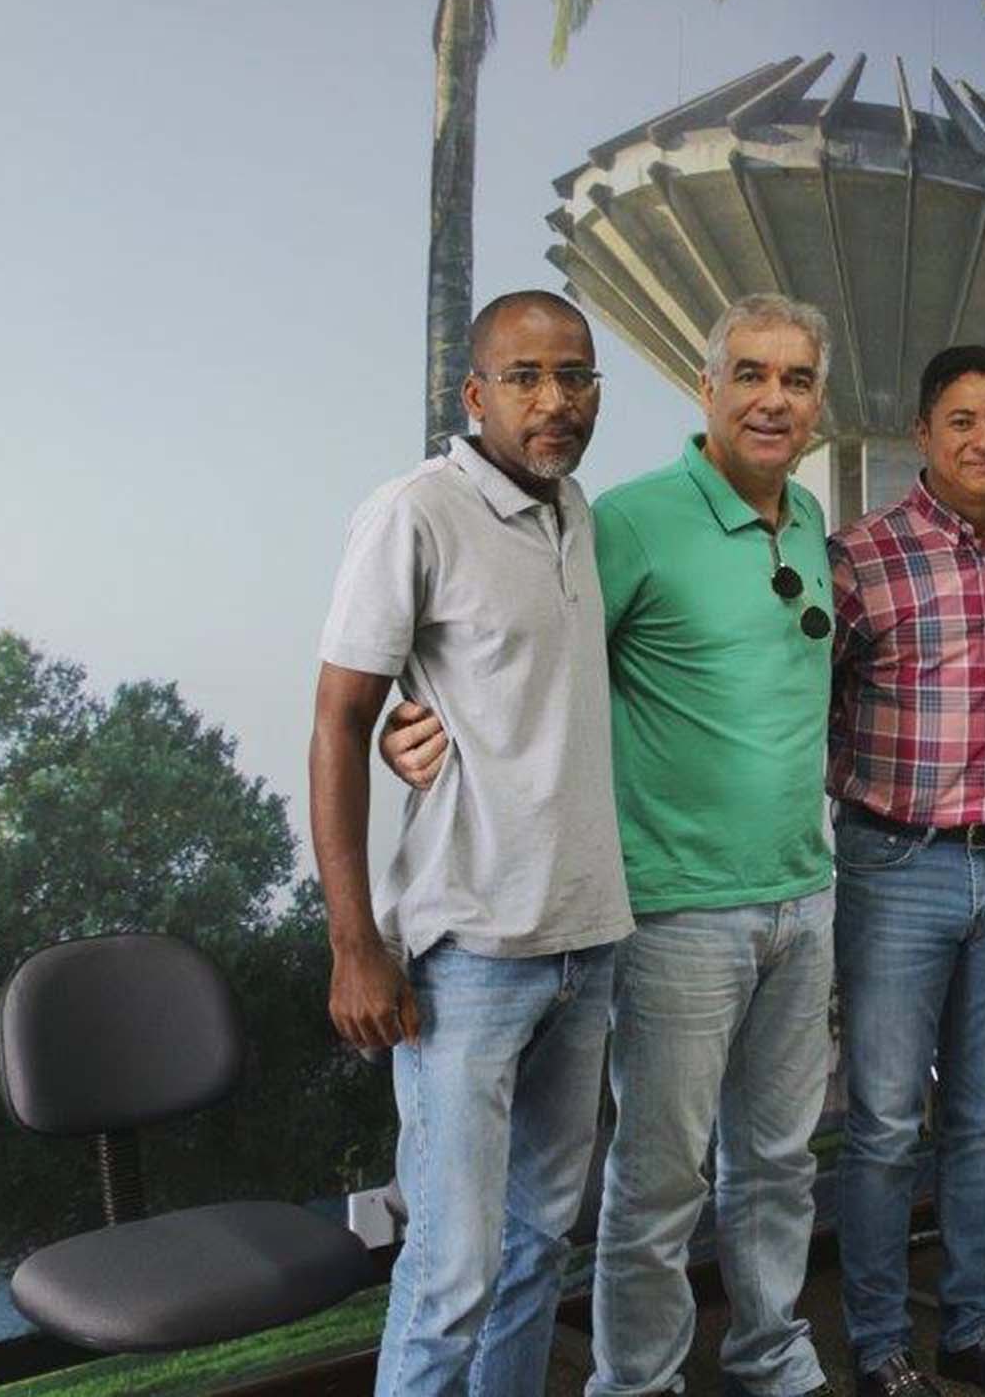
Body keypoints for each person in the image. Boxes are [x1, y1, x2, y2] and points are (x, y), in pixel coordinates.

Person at [379, 295, 844, 1397]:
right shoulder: (623, 520)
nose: (773, 399)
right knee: (659, 1182)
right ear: (707, 385)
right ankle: (636, 1381)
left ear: (819, 401)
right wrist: (419, 713)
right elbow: (516, 651)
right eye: (751, 374)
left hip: (802, 894)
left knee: (778, 1165)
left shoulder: (814, 522)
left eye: (796, 380)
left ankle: (773, 1354)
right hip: (674, 907)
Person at [310, 289, 632, 1397]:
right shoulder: (415, 513)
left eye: (576, 376)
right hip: (470, 954)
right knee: (453, 1267)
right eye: (529, 377)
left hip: (587, 941)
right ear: (477, 393)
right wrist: (356, 944)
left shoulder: (576, 512)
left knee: (544, 1241)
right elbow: (342, 721)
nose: (556, 400)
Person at [827, 346, 985, 1397]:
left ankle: (975, 1330)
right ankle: (879, 1347)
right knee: (883, 1123)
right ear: (924, 433)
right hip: (897, 865)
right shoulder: (860, 557)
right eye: (963, 420)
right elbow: (792, 698)